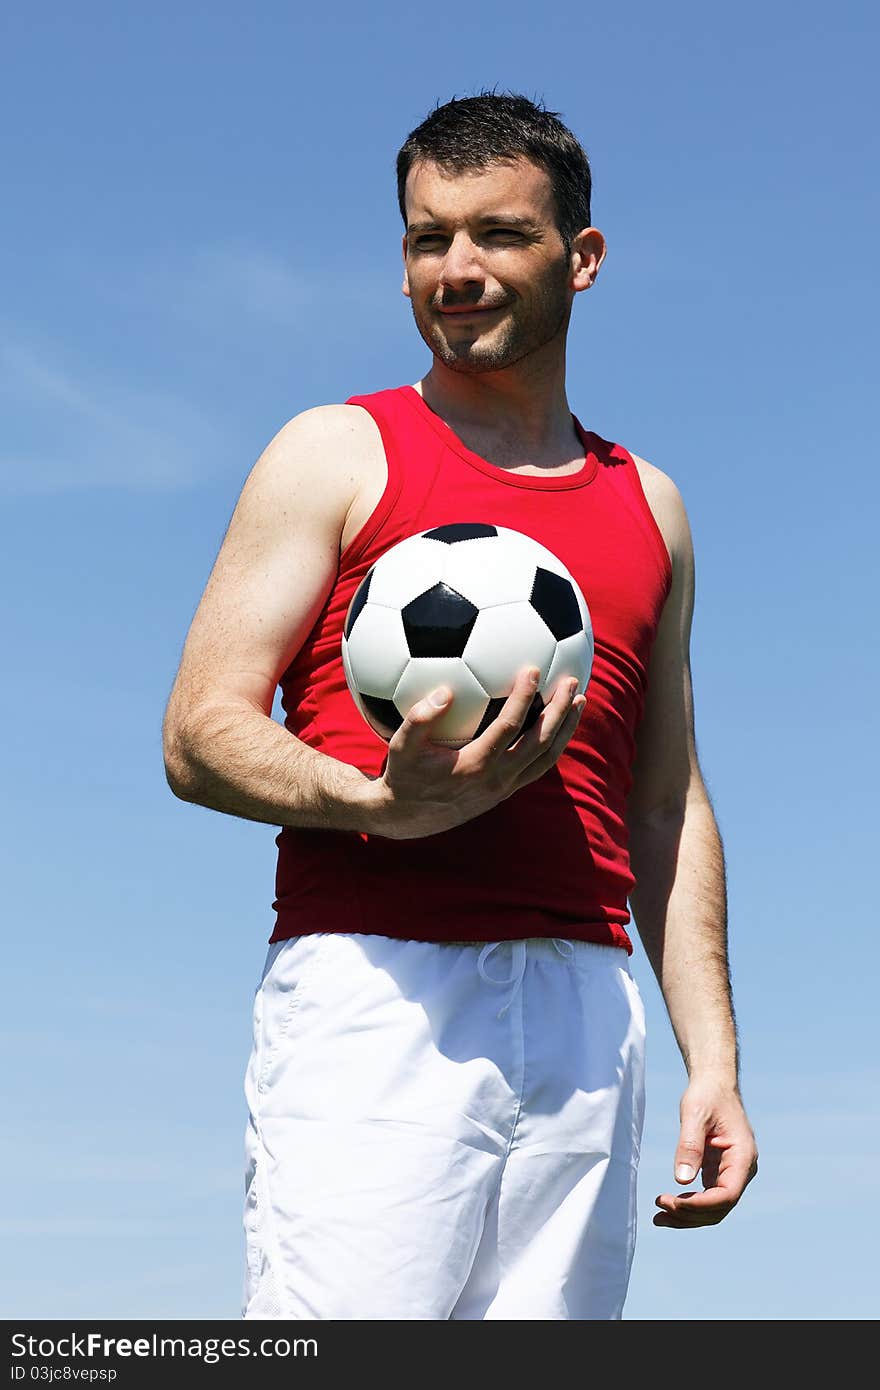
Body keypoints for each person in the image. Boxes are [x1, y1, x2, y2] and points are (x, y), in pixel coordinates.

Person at [162, 90, 758, 1321]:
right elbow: (199, 734)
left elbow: (663, 802)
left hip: (592, 1010)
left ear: (580, 259)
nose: (458, 269)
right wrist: (379, 800)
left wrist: (716, 1061)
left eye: (497, 235)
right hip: (376, 994)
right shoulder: (336, 451)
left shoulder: (651, 505)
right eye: (429, 239)